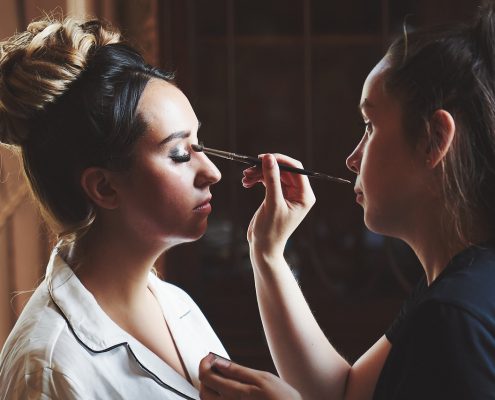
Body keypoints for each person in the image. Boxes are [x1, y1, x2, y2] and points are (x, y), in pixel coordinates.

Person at [199, 3, 495, 400]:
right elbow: (343, 392)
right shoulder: (452, 288)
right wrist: (267, 252)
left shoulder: (455, 316)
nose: (352, 158)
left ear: (434, 140)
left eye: (370, 127)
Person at [0, 16, 228, 399]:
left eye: (199, 145)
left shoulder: (177, 307)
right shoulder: (48, 367)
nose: (213, 173)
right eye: (178, 153)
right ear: (104, 187)